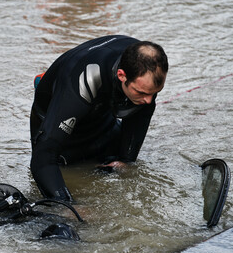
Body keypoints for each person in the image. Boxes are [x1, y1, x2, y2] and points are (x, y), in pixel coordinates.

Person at [30, 35, 168, 201]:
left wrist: (126, 160)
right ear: (122, 75)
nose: (149, 100)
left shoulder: (142, 60)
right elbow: (42, 159)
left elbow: (141, 111)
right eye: (142, 93)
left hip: (102, 119)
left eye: (155, 93)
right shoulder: (82, 79)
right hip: (64, 131)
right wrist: (68, 207)